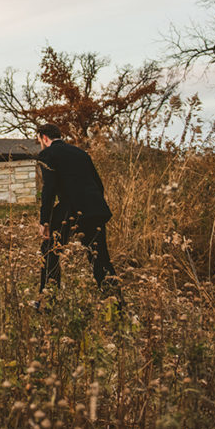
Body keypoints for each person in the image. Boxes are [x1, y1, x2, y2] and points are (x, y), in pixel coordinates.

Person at [35, 123, 123, 305]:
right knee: (100, 257)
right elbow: (98, 184)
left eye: (39, 140)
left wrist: (45, 221)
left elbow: (48, 190)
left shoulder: (47, 155)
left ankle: (47, 300)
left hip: (70, 209)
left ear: (44, 138)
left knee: (50, 251)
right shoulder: (81, 153)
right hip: (95, 208)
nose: (40, 144)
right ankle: (116, 302)